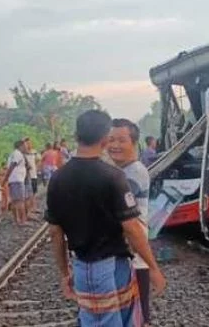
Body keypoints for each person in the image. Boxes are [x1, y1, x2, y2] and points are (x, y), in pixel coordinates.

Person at [47, 110, 166, 326]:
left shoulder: (57, 179)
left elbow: (55, 232)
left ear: (76, 136)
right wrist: (154, 268)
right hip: (112, 264)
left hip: (90, 265)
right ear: (104, 139)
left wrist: (65, 273)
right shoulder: (113, 177)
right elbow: (130, 226)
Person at [109, 118, 153, 325]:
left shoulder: (134, 172)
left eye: (121, 140)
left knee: (135, 316)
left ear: (134, 143)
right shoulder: (122, 172)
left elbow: (117, 213)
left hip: (134, 257)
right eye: (110, 140)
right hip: (129, 255)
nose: (114, 145)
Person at [5, 140, 28, 225]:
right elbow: (12, 166)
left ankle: (16, 220)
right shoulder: (18, 154)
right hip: (17, 180)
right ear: (20, 146)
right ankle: (23, 220)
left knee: (15, 201)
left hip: (13, 180)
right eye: (25, 145)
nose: (26, 147)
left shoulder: (13, 154)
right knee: (20, 201)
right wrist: (5, 179)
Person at [23, 137, 39, 215]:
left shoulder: (34, 152)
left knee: (34, 192)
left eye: (30, 143)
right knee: (29, 193)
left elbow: (38, 160)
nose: (29, 145)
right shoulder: (23, 154)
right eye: (27, 143)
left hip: (34, 174)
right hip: (27, 176)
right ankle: (30, 209)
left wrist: (37, 168)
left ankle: (34, 207)